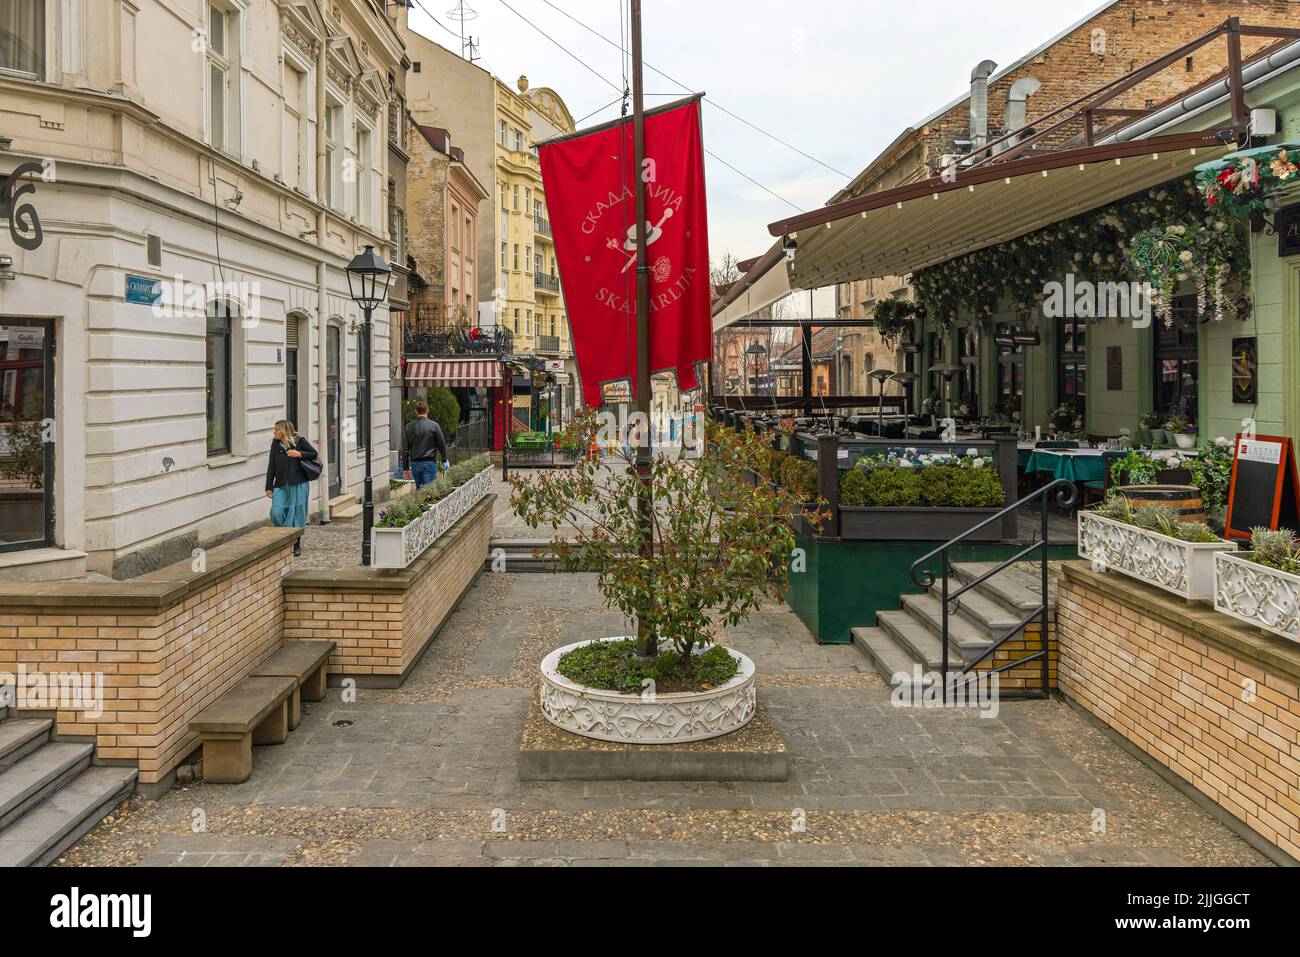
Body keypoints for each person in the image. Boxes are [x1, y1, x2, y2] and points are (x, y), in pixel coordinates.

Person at [265, 419, 319, 557]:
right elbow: (271, 466)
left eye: (276, 429)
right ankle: (283, 538)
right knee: (276, 512)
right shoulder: (275, 444)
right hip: (281, 485)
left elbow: (314, 454)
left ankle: (295, 544)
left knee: (296, 515)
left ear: (283, 431)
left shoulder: (299, 441)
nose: (274, 432)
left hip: (299, 484)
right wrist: (268, 486)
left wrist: (299, 454)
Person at [403, 399, 449, 488]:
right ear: (427, 410)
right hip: (429, 463)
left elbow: (406, 449)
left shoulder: (409, 426)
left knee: (419, 490)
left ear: (416, 411)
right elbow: (441, 445)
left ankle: (420, 502)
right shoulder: (434, 426)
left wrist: (405, 468)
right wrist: (444, 459)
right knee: (429, 491)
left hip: (415, 464)